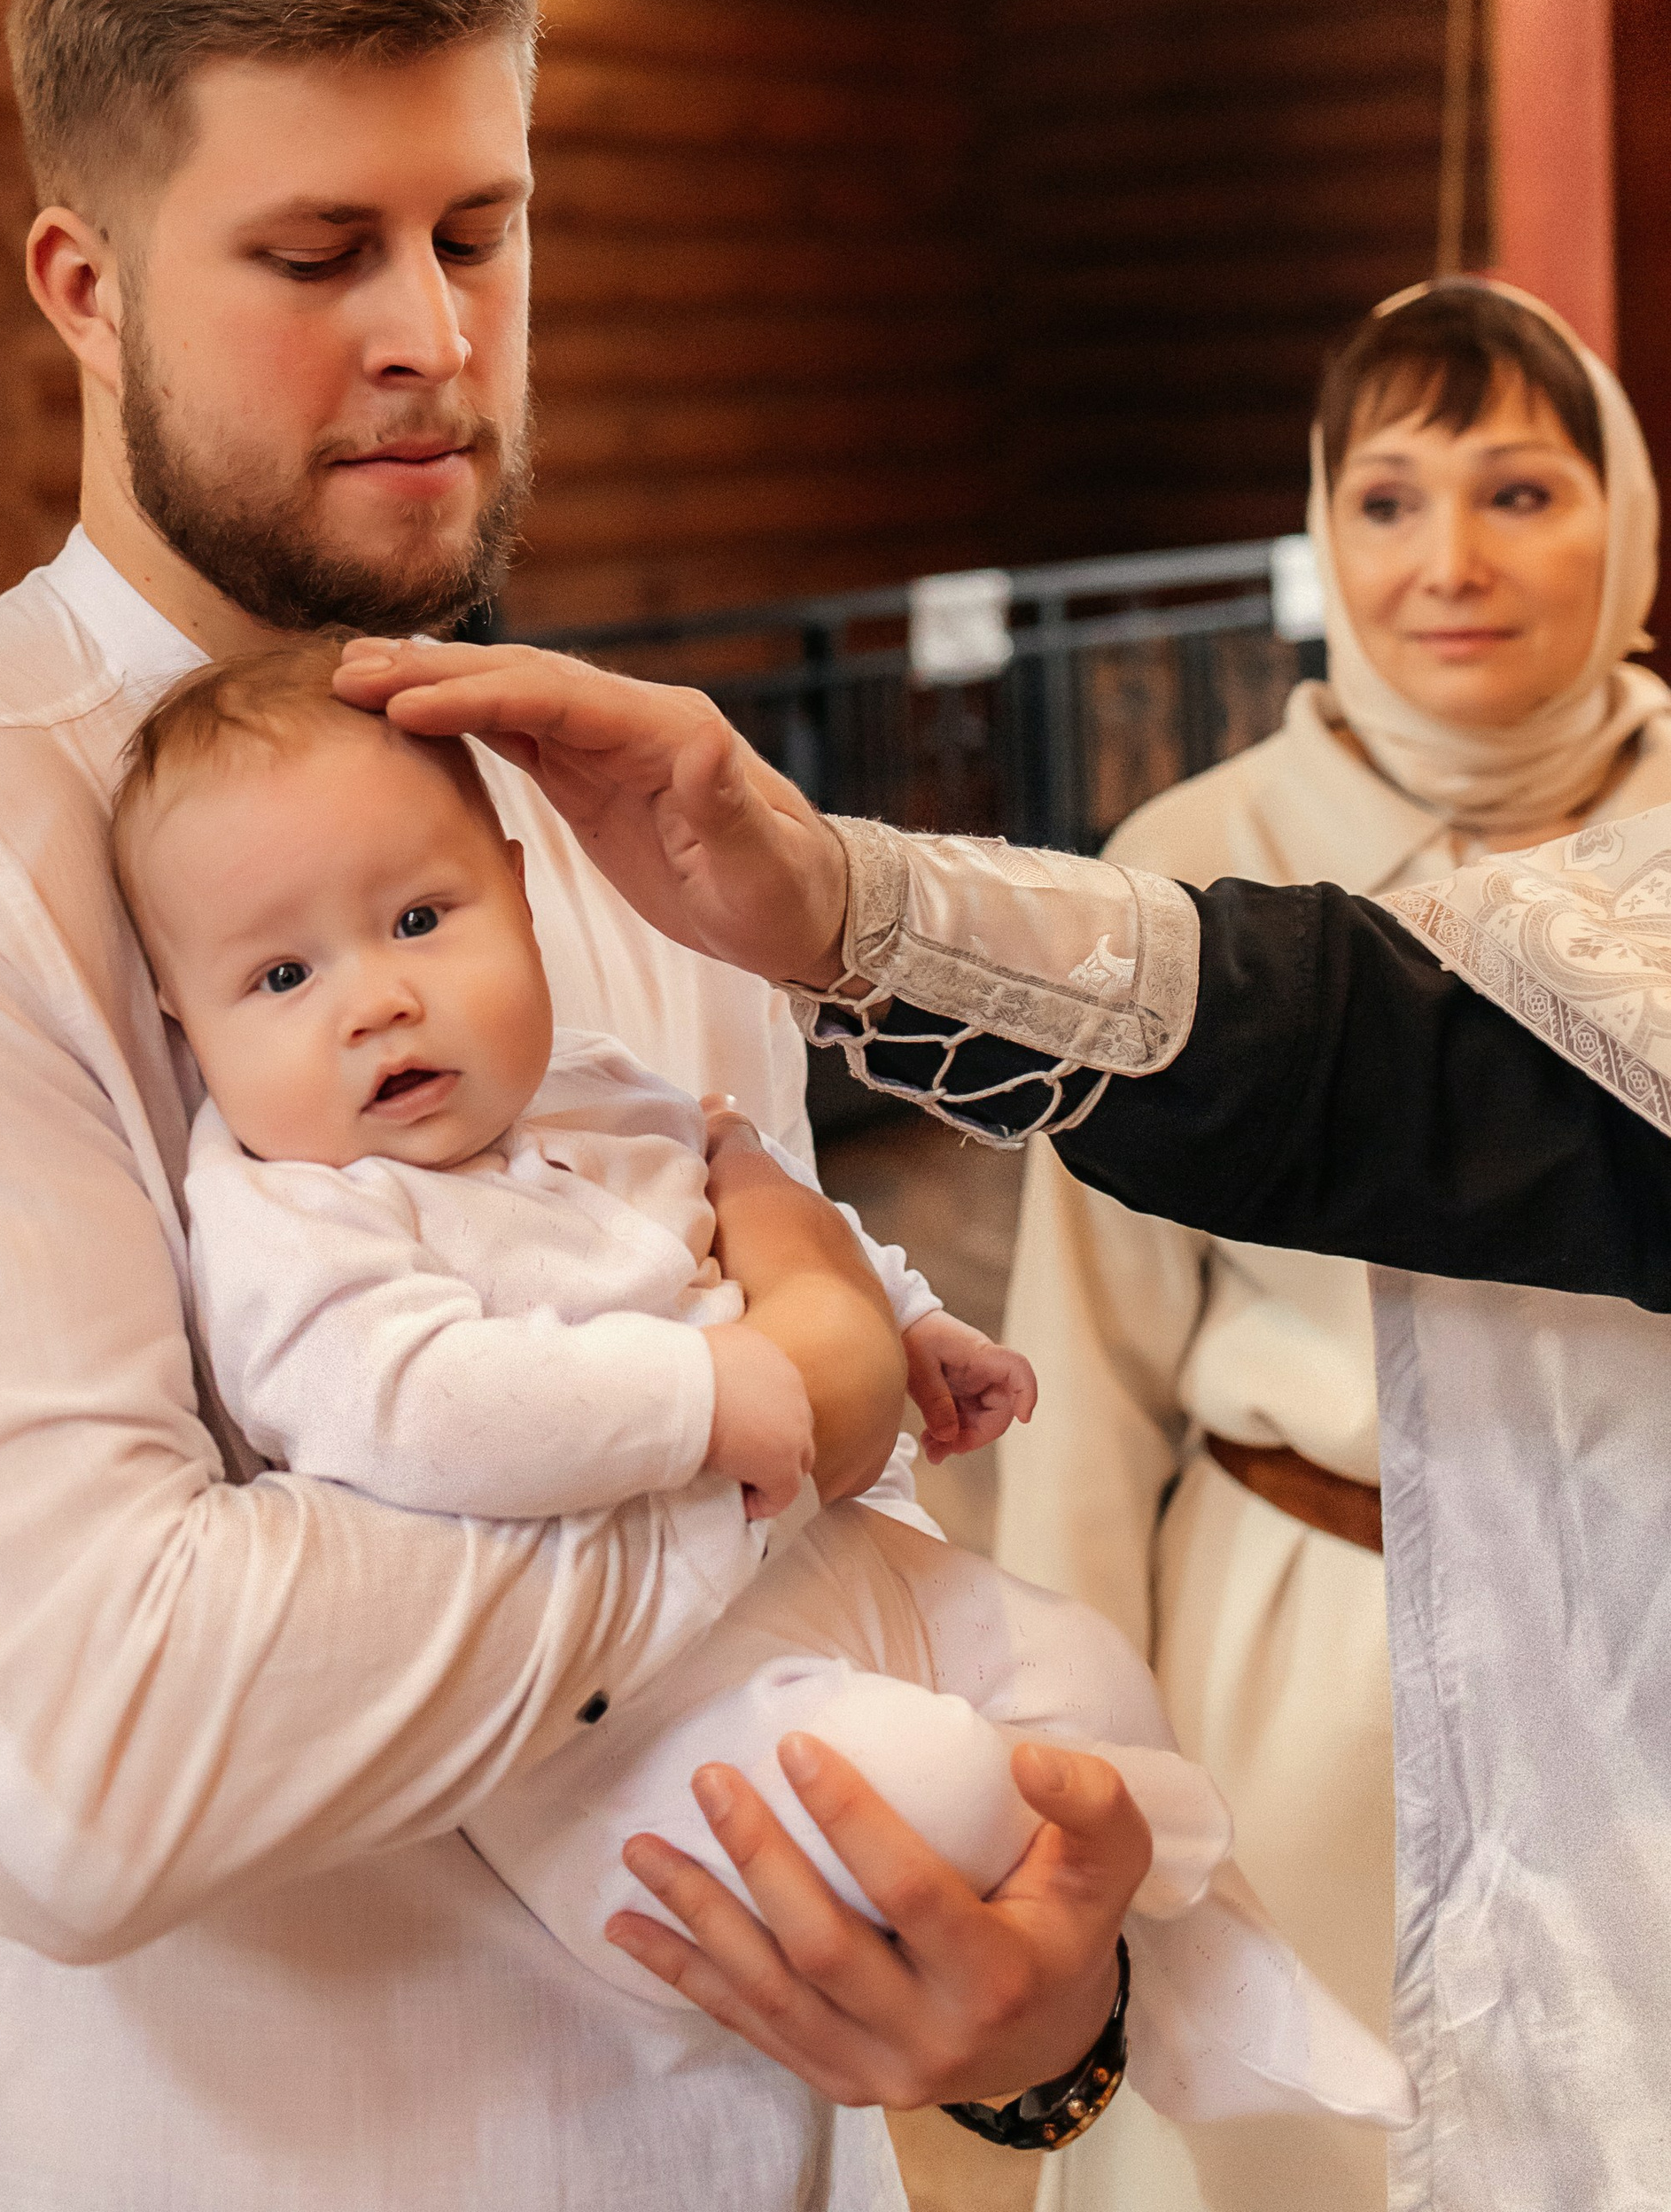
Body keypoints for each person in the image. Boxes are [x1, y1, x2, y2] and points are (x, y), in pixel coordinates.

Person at [0, 0, 1144, 2212]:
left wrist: (1031, 2033)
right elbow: (94, 1749)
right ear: (82, 279)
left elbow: (838, 1601)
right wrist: (773, 1411)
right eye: (316, 250)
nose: (432, 337)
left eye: (479, 230)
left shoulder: (614, 804)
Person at [338, 629, 1671, 2207]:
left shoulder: (589, 1066)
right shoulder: (307, 1185)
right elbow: (1402, 1065)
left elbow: (745, 1191)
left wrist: (849, 1324)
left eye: (422, 917)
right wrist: (842, 916)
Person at [116, 638, 1407, 2137]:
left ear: (526, 906)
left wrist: (910, 1328)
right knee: (923, 1781)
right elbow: (410, 1403)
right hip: (633, 1730)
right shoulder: (294, 1213)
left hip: (821, 1561)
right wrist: (696, 1396)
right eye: (281, 975)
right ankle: (1150, 1879)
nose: (376, 1002)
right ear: (184, 1025)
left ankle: (1216, 1982)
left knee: (1078, 1667)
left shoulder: (593, 1086)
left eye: (417, 919)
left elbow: (774, 1206)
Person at [992, 276, 1671, 2212]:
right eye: (1383, 500)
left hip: (1629, 1638)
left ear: (1623, 522)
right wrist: (1074, 1765)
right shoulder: (1185, 872)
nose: (1444, 561)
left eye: (1518, 493)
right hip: (1293, 1653)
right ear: (1317, 533)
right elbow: (1084, 1383)